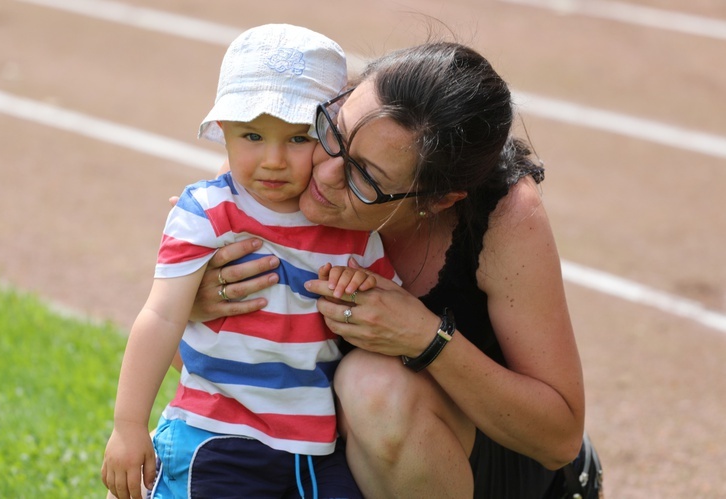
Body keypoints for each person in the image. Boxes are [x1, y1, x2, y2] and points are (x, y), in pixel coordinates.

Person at [191, 40, 603, 498]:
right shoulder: (280, 150)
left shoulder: (504, 217)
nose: (324, 175)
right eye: (332, 133)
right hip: (312, 451)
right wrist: (197, 304)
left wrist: (427, 340)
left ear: (438, 200)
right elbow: (187, 366)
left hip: (487, 464)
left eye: (364, 178)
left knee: (372, 386)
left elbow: (558, 438)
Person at [101, 24, 397, 499]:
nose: (273, 160)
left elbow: (388, 318)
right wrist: (128, 425)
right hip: (214, 434)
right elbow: (160, 316)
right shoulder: (205, 213)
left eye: (299, 138)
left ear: (331, 138)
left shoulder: (354, 233)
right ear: (224, 132)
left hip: (315, 451)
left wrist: (357, 293)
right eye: (253, 135)